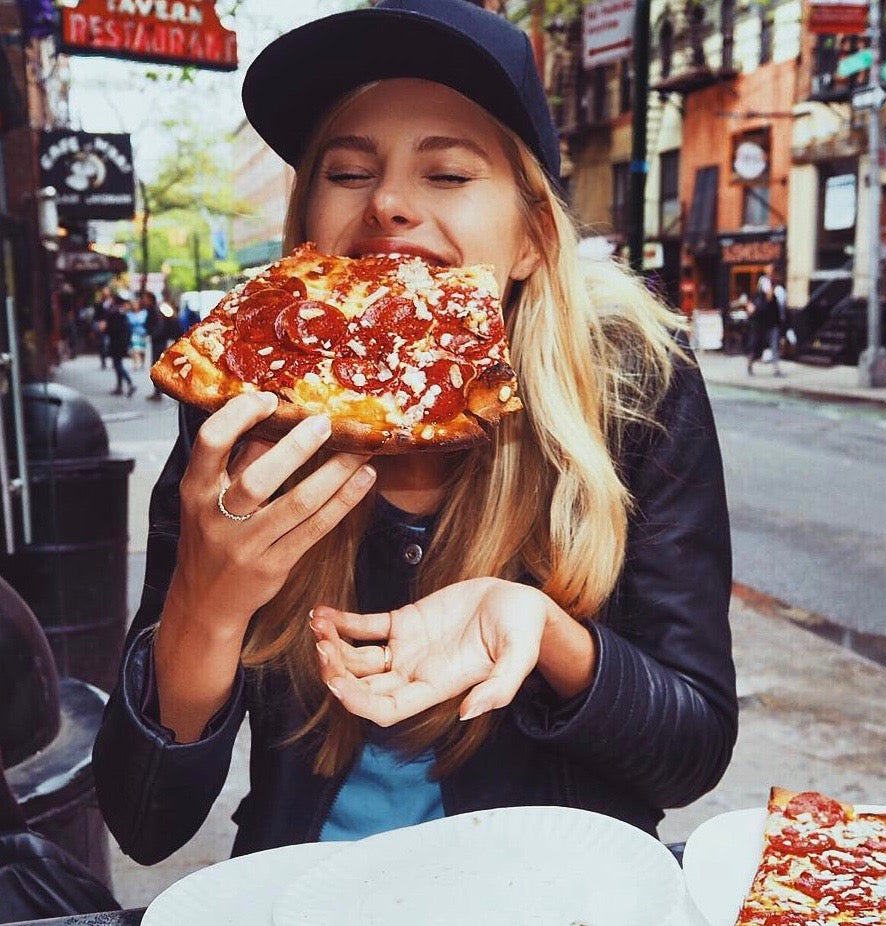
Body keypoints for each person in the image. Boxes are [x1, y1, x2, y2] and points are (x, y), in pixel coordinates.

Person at [93, 0, 736, 865]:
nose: (390, 203)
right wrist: (203, 611)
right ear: (307, 230)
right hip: (305, 893)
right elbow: (144, 825)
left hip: (558, 893)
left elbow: (689, 755)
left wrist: (547, 634)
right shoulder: (242, 406)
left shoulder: (635, 390)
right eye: (349, 172)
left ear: (532, 240)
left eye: (449, 175)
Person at [746, 263, 782, 376]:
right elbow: (766, 297)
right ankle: (750, 363)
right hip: (761, 320)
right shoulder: (763, 281)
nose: (769, 271)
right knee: (757, 345)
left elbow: (776, 301)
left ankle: (776, 369)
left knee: (774, 345)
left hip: (772, 320)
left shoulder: (777, 283)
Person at [105, 297, 135, 397]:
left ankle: (129, 383)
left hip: (116, 343)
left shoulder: (114, 314)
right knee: (118, 364)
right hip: (121, 343)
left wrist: (105, 329)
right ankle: (120, 386)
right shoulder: (122, 314)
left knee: (117, 365)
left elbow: (111, 329)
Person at [92, 286, 114, 369]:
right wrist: (100, 323)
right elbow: (96, 316)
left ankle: (113, 361)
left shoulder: (112, 303)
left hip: (111, 326)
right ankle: (103, 361)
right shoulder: (99, 303)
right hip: (101, 326)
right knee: (102, 344)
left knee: (111, 344)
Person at [126, 296, 149, 371]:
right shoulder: (129, 314)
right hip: (134, 333)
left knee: (142, 350)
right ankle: (135, 364)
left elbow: (146, 322)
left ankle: (142, 362)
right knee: (135, 349)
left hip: (143, 333)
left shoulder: (144, 313)